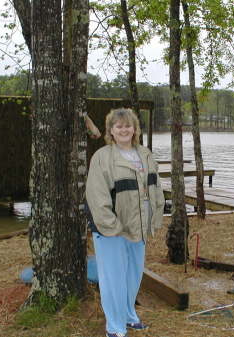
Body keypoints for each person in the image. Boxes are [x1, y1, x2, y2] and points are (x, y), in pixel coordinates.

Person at [85, 108, 165, 337]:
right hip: (112, 230)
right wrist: (112, 227)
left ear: (135, 128)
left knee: (133, 275)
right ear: (111, 130)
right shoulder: (102, 157)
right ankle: (115, 327)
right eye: (118, 126)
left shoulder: (145, 154)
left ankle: (129, 316)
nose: (124, 129)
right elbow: (97, 197)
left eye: (128, 125)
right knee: (113, 279)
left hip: (137, 228)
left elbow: (156, 188)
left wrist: (155, 218)